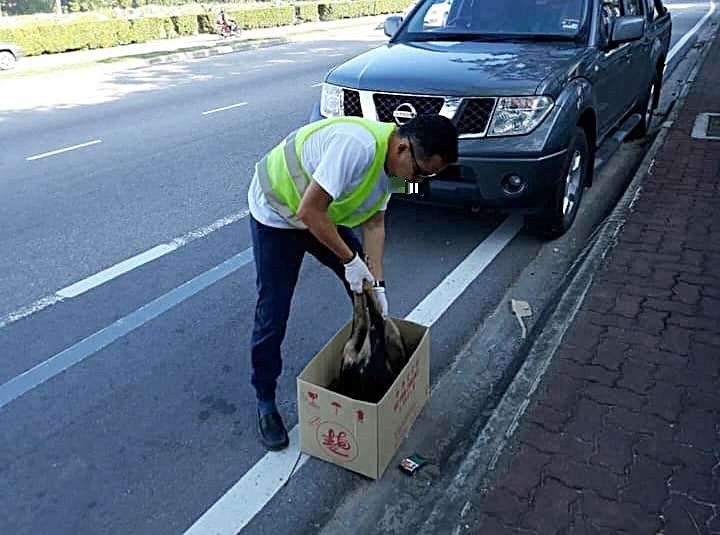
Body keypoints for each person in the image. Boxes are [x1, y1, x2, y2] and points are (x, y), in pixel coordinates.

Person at [247, 114, 459, 450]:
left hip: (319, 213)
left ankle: (367, 365)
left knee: (363, 292)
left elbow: (375, 225)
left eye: (429, 175)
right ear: (403, 148)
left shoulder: (397, 170)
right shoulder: (356, 146)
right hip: (279, 213)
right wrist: (349, 260)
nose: (420, 181)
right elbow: (309, 212)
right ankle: (265, 399)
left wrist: (377, 284)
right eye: (421, 172)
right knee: (273, 311)